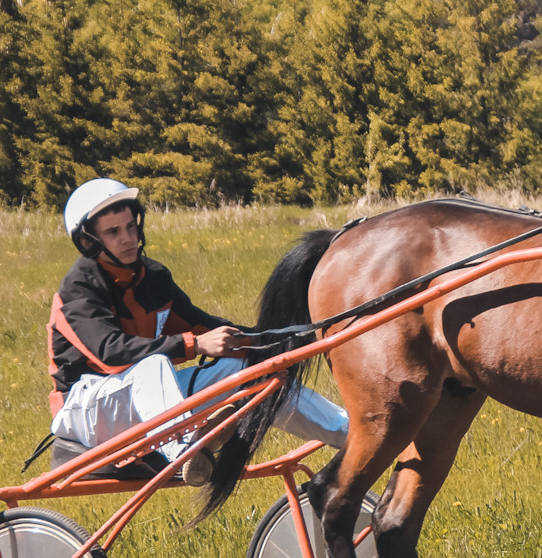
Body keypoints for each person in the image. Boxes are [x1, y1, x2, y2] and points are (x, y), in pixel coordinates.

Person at [46, 178, 348, 483]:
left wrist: (279, 341)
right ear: (88, 242)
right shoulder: (78, 289)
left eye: (130, 227)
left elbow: (205, 326)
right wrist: (194, 345)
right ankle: (186, 453)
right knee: (152, 366)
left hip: (144, 404)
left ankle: (350, 432)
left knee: (246, 368)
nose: (128, 238)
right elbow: (111, 354)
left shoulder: (153, 276)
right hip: (84, 409)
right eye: (113, 232)